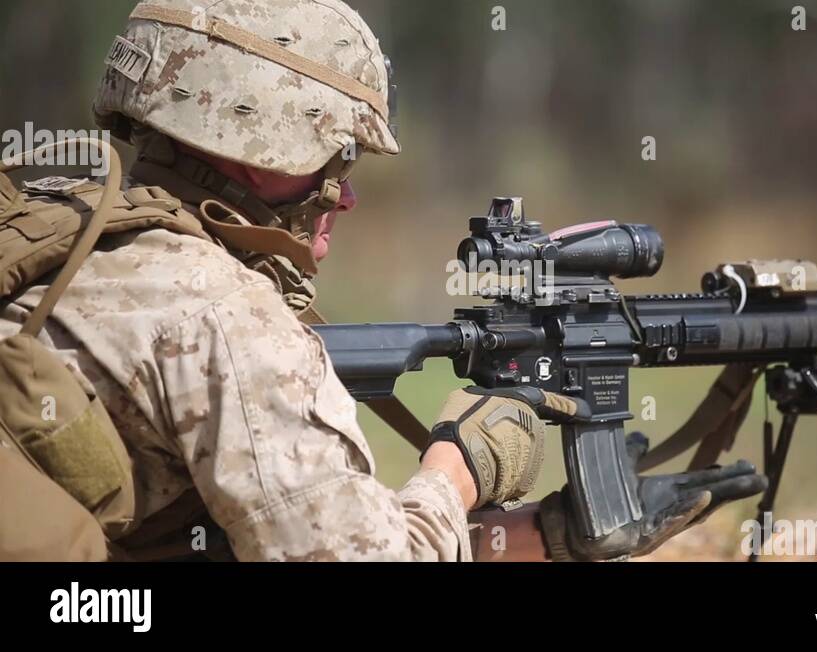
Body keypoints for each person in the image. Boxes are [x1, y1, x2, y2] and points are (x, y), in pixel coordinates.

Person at [0, 0, 765, 562]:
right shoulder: (225, 315)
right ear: (267, 150)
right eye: (340, 162)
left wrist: (550, 537)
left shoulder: (54, 226)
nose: (350, 195)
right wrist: (457, 467)